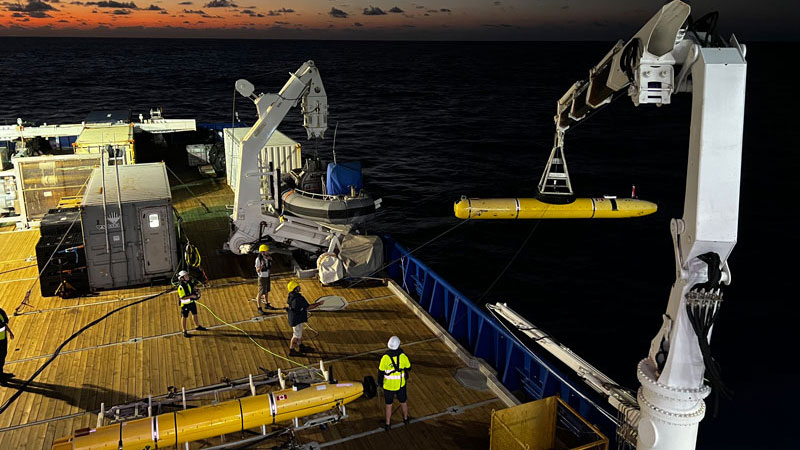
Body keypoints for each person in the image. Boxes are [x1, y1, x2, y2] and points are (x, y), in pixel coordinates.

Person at [378, 335, 411, 431]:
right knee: (403, 402)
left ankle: (388, 424)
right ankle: (405, 418)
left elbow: (380, 372)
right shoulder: (403, 356)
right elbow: (409, 367)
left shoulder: (385, 358)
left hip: (388, 386)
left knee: (389, 405)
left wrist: (380, 383)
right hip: (401, 385)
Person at [286, 280, 320, 356]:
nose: (299, 288)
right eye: (298, 287)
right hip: (297, 319)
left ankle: (301, 346)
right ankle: (292, 350)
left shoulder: (291, 296)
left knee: (299, 334)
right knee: (296, 335)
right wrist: (318, 304)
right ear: (294, 289)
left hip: (295, 317)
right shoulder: (298, 299)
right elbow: (308, 307)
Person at [177, 270, 206, 338]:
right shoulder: (181, 287)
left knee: (195, 314)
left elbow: (192, 289)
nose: (187, 276)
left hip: (192, 302)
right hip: (185, 304)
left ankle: (197, 326)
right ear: (182, 278)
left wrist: (197, 291)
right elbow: (182, 298)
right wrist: (191, 296)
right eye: (186, 276)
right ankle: (184, 330)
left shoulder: (189, 283)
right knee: (184, 317)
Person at [255, 244, 276, 314]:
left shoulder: (267, 257)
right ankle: (259, 307)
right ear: (262, 252)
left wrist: (270, 260)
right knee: (260, 292)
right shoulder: (258, 259)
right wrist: (262, 265)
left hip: (267, 275)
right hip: (262, 277)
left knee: (266, 290)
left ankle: (267, 303)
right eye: (266, 251)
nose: (268, 252)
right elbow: (257, 270)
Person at [0, 307, 15, 383]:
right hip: (1, 340)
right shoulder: (1, 312)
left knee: (3, 355)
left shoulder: (1, 312)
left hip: (3, 339)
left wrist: (10, 332)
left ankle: (1, 373)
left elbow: (4, 324)